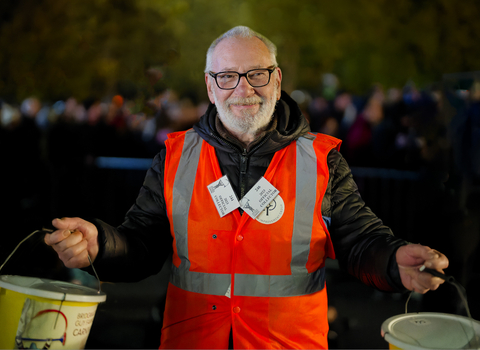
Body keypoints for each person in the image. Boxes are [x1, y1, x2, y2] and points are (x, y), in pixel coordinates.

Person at [45, 26, 449, 349]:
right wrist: (102, 243)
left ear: (276, 79)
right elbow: (142, 242)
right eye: (227, 76)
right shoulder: (175, 156)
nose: (243, 88)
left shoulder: (322, 160)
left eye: (256, 74)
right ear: (209, 86)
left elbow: (359, 240)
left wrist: (394, 260)